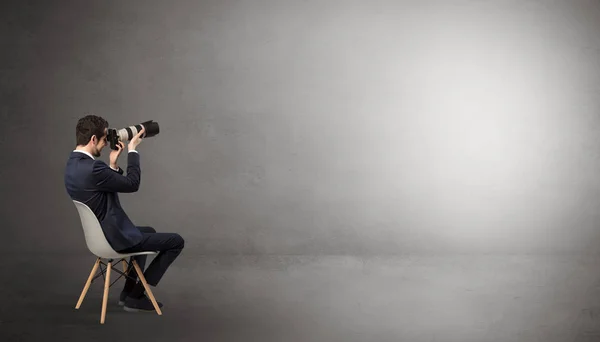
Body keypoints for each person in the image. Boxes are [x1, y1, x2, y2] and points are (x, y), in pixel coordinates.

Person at [64, 114, 184, 312]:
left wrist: (112, 165)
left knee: (148, 230)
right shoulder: (94, 168)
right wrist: (133, 150)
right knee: (176, 241)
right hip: (113, 238)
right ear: (93, 139)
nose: (105, 144)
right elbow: (132, 185)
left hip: (99, 235)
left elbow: (102, 184)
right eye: (104, 139)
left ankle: (128, 294)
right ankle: (136, 295)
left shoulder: (73, 165)